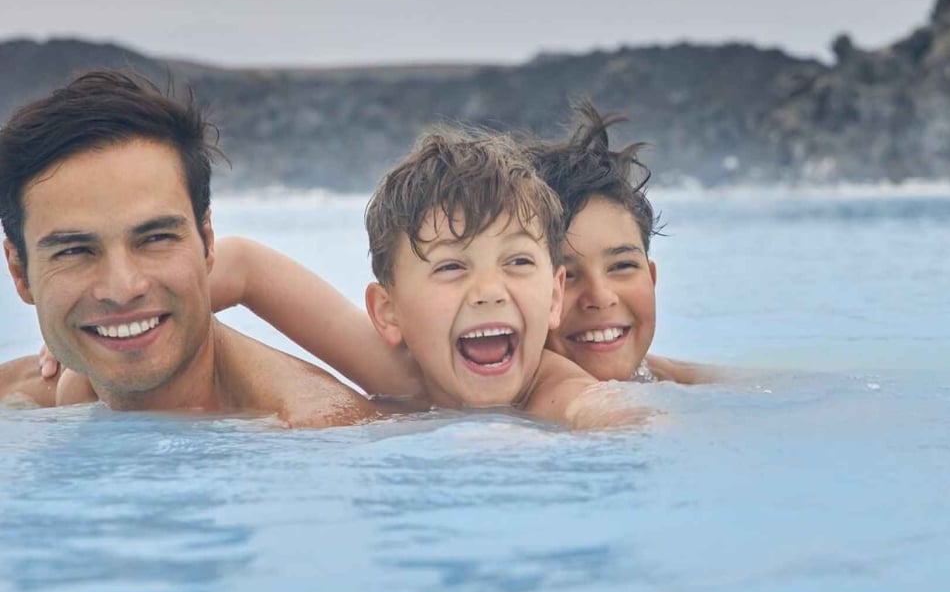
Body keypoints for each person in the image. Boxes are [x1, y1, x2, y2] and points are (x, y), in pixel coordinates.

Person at [151, 126, 648, 428]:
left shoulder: (553, 388)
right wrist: (121, 335)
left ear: (554, 295)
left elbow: (606, 412)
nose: (489, 293)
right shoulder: (403, 369)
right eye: (452, 266)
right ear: (389, 314)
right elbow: (241, 265)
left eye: (517, 262)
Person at [0, 71, 375, 428]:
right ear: (20, 272)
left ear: (207, 242)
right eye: (74, 251)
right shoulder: (23, 399)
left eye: (155, 239)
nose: (122, 289)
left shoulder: (315, 435)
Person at [528, 103, 712, 384]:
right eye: (567, 277)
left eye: (622, 266)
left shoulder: (681, 381)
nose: (601, 298)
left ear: (651, 278)